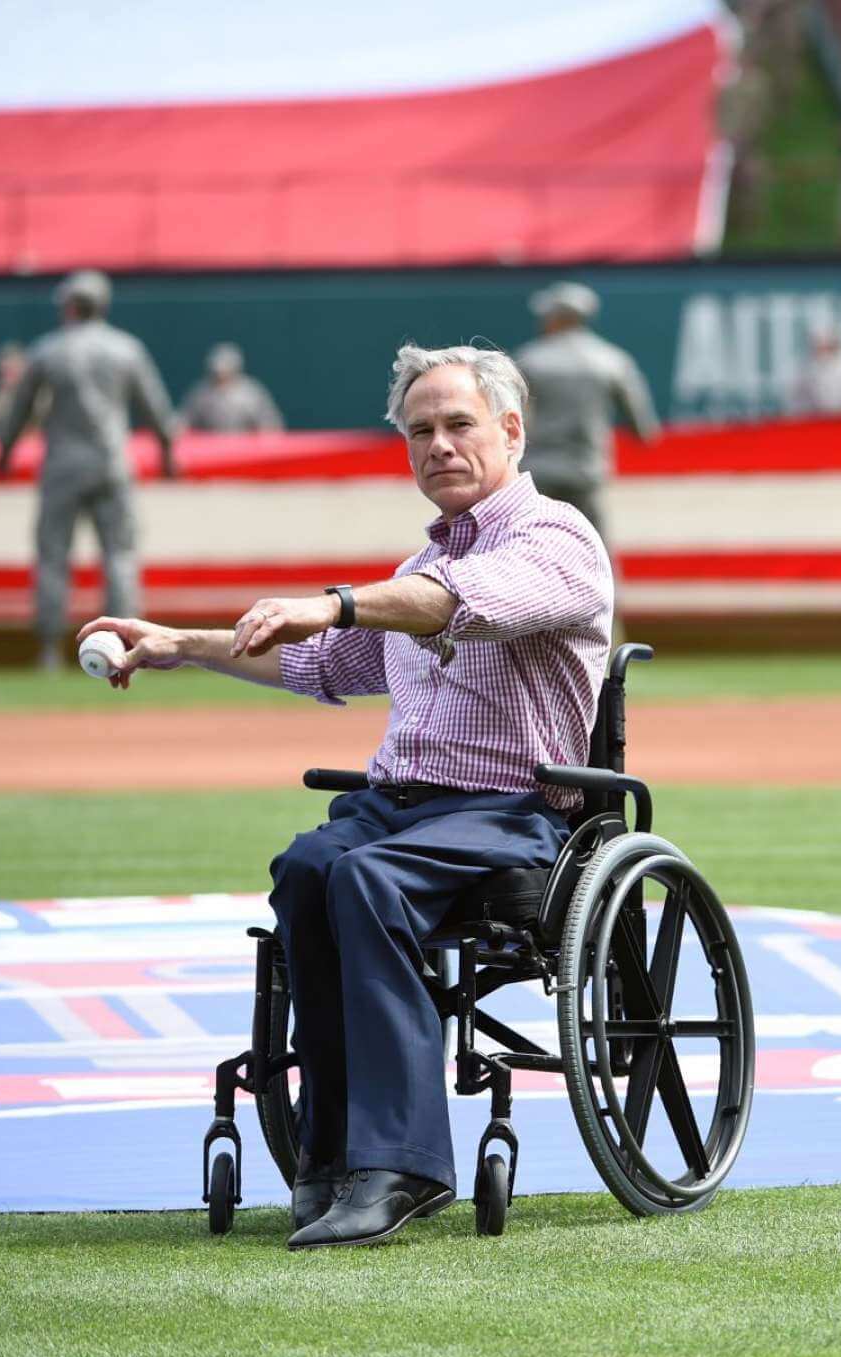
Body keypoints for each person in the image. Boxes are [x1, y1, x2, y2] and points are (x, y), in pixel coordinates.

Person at [76, 343, 613, 1250]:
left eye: (458, 425)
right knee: (311, 866)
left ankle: (402, 1166)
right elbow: (319, 660)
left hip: (513, 812)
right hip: (399, 807)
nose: (438, 445)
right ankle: (327, 1155)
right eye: (420, 432)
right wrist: (180, 643)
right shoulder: (414, 568)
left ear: (511, 431)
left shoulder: (556, 539)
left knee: (367, 879)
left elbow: (457, 603)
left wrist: (333, 600)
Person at [0, 270, 178, 671]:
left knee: (53, 557)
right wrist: (167, 454)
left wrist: (4, 454)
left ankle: (48, 651)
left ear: (70, 306)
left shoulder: (47, 350)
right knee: (121, 556)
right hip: (111, 463)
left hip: (61, 467)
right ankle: (129, 650)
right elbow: (156, 409)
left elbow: (19, 409)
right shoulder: (126, 349)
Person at [513, 281, 660, 590]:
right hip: (586, 471)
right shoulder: (612, 361)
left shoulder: (530, 360)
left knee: (527, 551)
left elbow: (512, 424)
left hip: (536, 474)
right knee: (597, 553)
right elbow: (644, 429)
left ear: (556, 317)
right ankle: (607, 626)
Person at [180, 344, 284, 433]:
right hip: (210, 449)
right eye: (216, 373)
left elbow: (270, 424)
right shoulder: (201, 393)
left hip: (244, 450)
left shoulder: (251, 393)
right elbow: (183, 421)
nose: (221, 376)